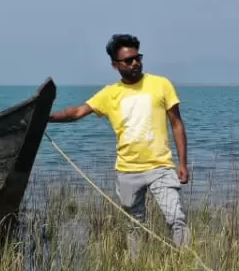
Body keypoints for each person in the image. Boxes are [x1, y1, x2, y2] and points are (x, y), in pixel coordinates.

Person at [49, 33, 192, 249]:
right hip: (127, 172)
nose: (135, 63)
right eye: (128, 60)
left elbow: (177, 125)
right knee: (135, 227)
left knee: (176, 219)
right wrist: (46, 118)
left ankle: (186, 266)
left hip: (161, 167)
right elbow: (78, 111)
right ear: (116, 65)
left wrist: (182, 164)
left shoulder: (161, 85)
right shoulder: (110, 94)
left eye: (138, 58)